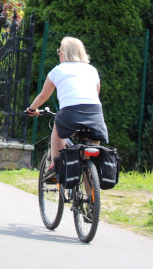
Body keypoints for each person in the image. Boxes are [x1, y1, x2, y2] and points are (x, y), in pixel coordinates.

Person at [25, 37, 108, 173]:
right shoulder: (92, 70)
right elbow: (95, 94)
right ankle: (91, 193)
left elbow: (43, 96)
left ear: (63, 53)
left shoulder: (58, 70)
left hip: (70, 113)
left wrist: (32, 109)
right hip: (95, 115)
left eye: (59, 51)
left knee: (58, 128)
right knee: (88, 160)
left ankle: (56, 166)